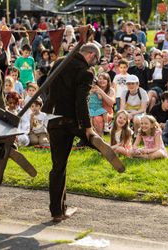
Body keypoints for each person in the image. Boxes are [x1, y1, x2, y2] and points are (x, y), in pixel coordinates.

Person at [41, 43, 101, 222]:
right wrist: (88, 127)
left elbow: (45, 86)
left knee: (58, 167)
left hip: (53, 118)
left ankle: (57, 212)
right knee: (94, 141)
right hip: (72, 120)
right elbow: (81, 101)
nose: (93, 65)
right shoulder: (86, 72)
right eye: (95, 61)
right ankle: (107, 147)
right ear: (90, 55)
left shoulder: (59, 61)